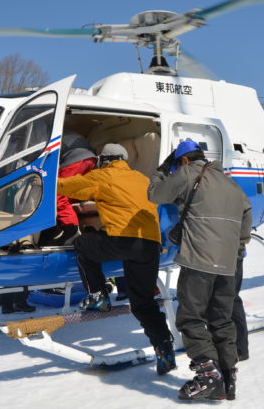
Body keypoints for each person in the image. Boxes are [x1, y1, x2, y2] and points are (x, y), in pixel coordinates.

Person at [56, 143, 176, 375]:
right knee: (143, 303)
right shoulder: (141, 178)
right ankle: (165, 348)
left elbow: (66, 186)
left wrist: (42, 177)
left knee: (83, 246)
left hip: (123, 240)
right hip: (150, 244)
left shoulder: (103, 176)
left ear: (104, 159)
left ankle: (98, 294)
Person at [148, 139, 252, 401]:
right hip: (229, 264)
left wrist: (161, 171)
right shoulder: (232, 184)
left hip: (199, 260)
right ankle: (228, 379)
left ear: (183, 160)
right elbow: (245, 221)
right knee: (221, 319)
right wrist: (235, 250)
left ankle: (207, 374)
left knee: (191, 317)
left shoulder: (187, 173)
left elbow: (155, 195)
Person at [39, 129, 96, 246]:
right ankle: (67, 227)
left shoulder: (41, 132)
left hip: (75, 159)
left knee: (58, 195)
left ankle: (71, 230)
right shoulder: (58, 130)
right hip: (90, 158)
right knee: (72, 195)